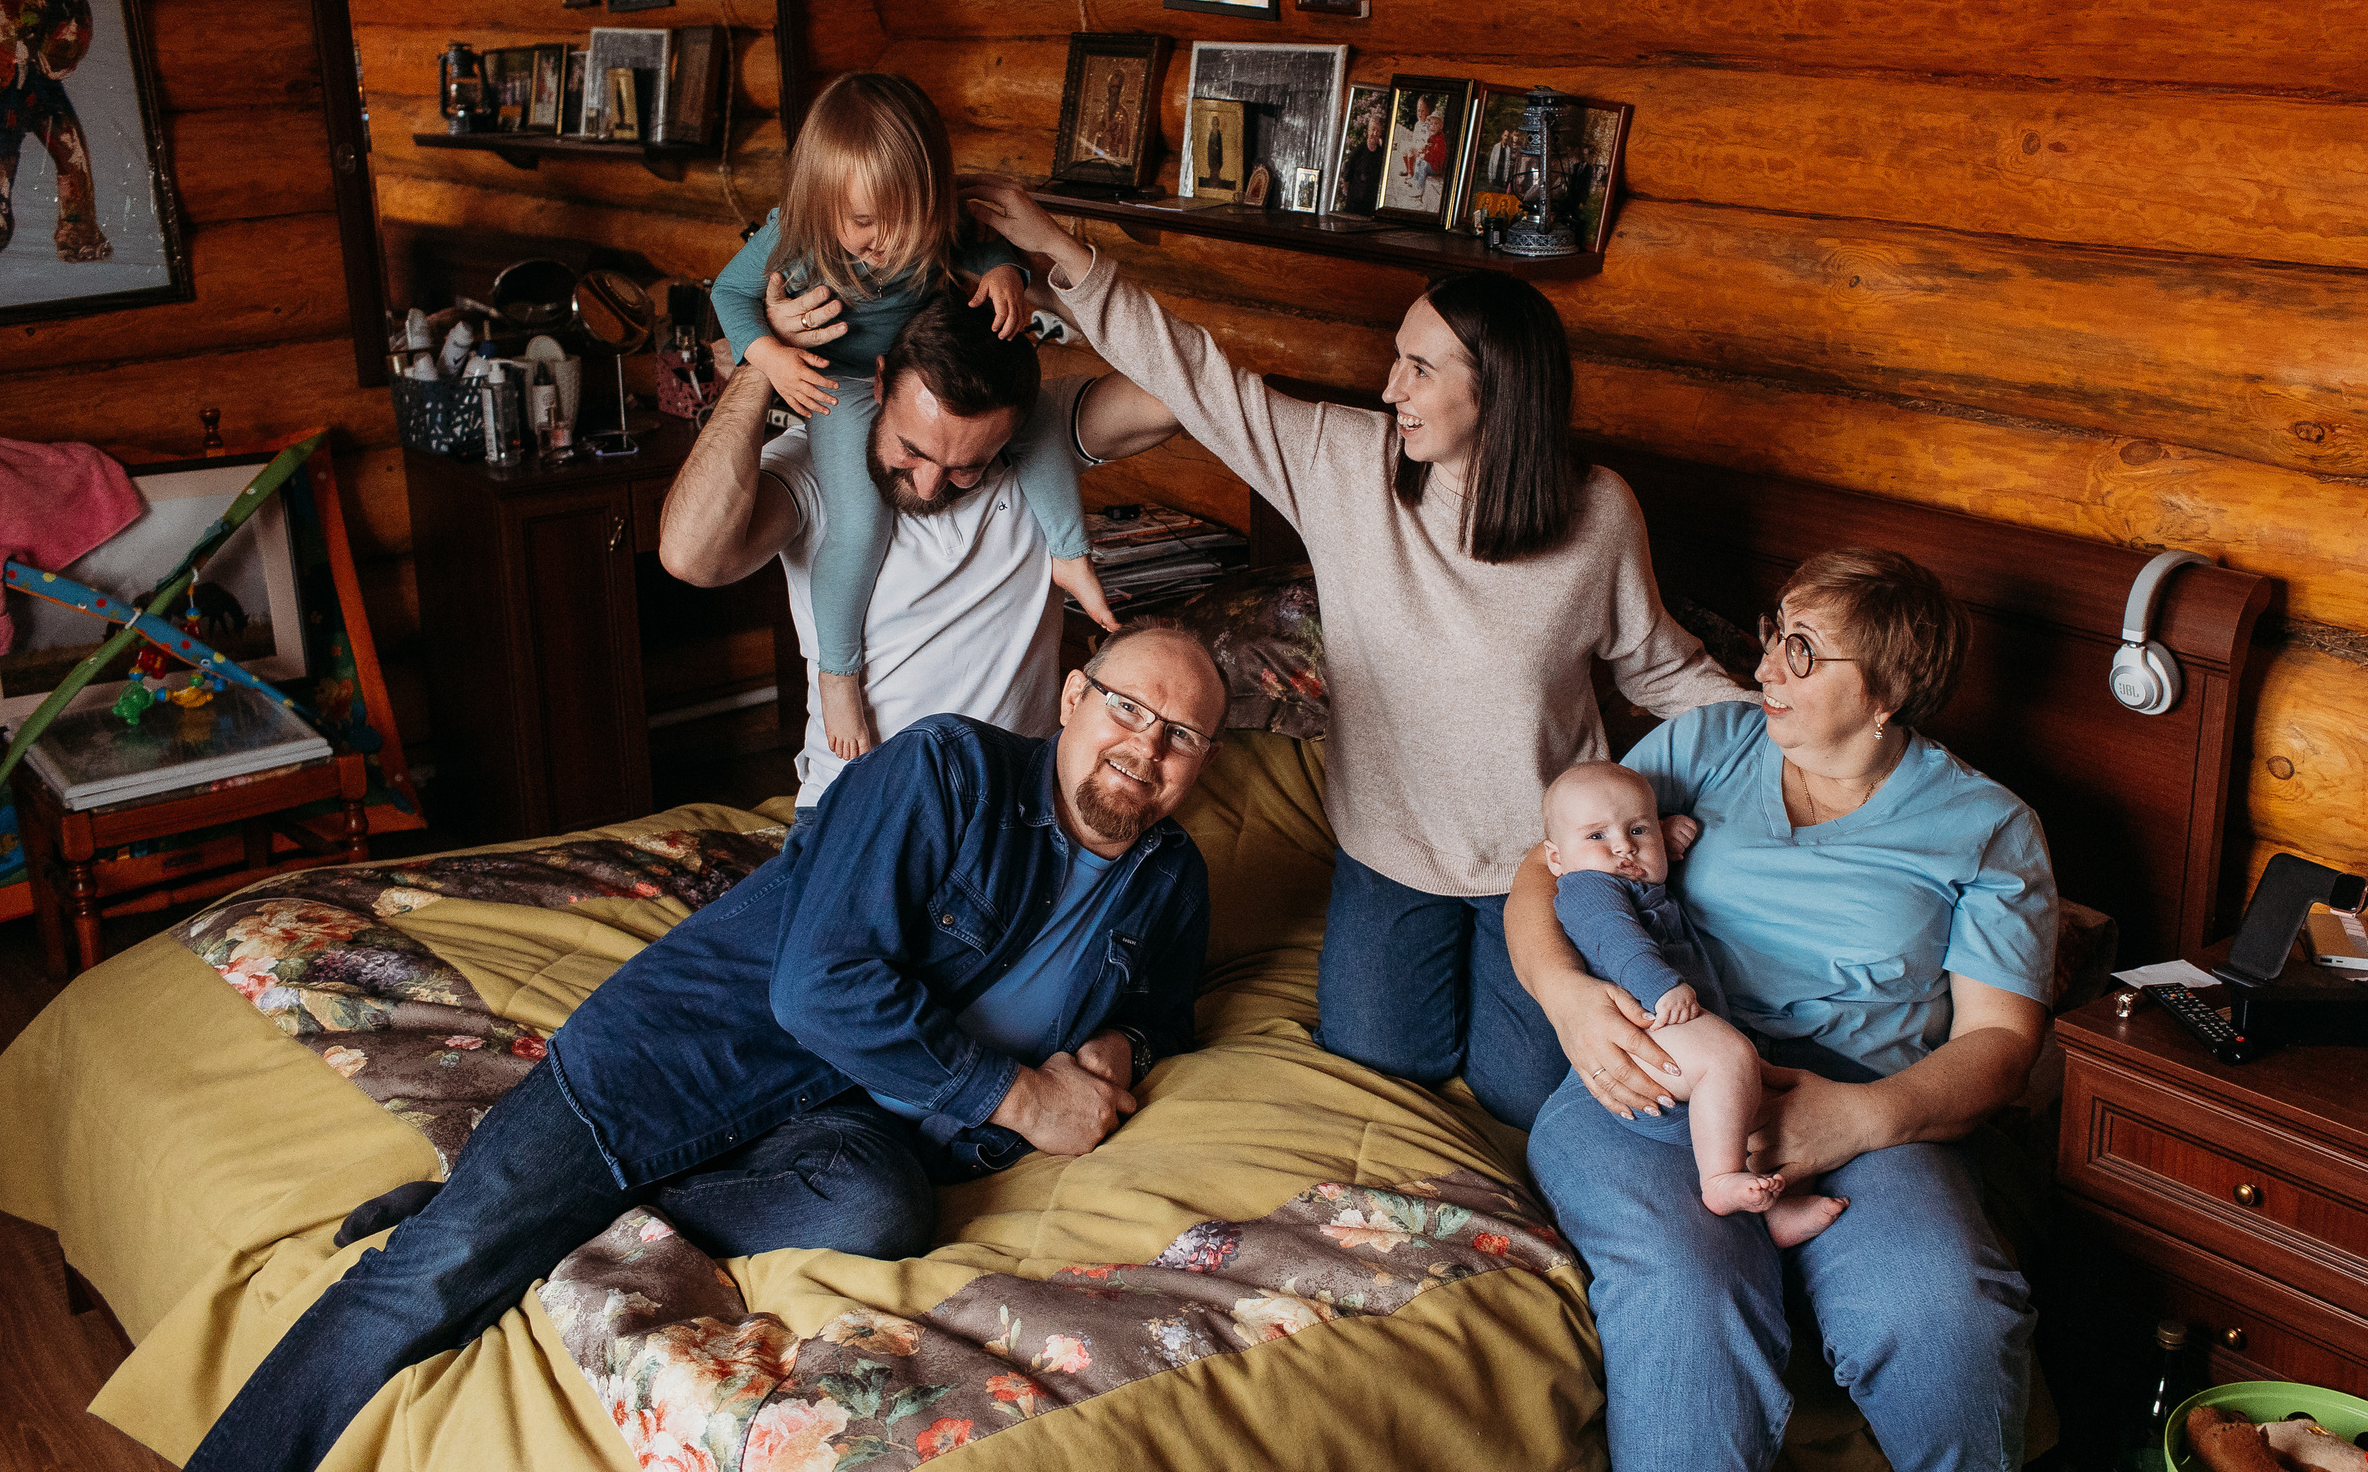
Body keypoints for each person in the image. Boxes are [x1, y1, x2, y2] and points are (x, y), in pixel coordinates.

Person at [186, 623, 1229, 1472]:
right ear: (1070, 698)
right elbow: (823, 991)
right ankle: (482, 1218)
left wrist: (1119, 1049)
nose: (1146, 745)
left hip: (850, 1121)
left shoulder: (1168, 879)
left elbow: (1163, 1012)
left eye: (1182, 733)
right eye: (1126, 707)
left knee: (881, 1210)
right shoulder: (944, 772)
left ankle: (547, 1212)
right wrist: (1018, 1098)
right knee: (434, 1276)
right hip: (679, 1058)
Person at [956, 173, 1751, 1132]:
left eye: (1419, 368)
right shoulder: (1349, 465)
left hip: (1538, 862)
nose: (1390, 387)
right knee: (1386, 1058)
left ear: (1495, 389)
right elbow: (1199, 377)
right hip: (1387, 848)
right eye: (1395, 361)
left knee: (1523, 1093)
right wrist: (1058, 249)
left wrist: (1794, 741)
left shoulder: (1599, 514)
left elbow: (1659, 665)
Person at [1507, 547, 2058, 1472]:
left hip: (1861, 1105)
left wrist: (1859, 1115)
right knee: (1689, 1292)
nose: (1765, 665)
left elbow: (2002, 1040)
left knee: (1944, 1309)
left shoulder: (1988, 826)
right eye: (1775, 632)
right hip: (1654, 1082)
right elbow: (1546, 864)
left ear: (1887, 691)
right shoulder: (1707, 744)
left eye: (1802, 649)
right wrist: (1566, 1000)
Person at [710, 71, 1118, 765]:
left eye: (903, 220)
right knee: (859, 524)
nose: (884, 241)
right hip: (842, 385)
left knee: (1037, 425)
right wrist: (770, 357)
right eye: (864, 223)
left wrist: (1007, 277)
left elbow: (988, 250)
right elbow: (732, 292)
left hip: (924, 373)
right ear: (822, 201)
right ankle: (838, 669)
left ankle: (1070, 554)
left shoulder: (932, 221)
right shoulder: (797, 234)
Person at [660, 289, 1185, 806]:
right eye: (912, 450)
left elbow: (1184, 390)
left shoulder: (1038, 442)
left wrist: (1047, 288)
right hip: (861, 813)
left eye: (966, 467)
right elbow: (691, 557)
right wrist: (761, 358)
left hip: (1011, 814)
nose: (931, 485)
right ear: (883, 381)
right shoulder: (816, 467)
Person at [1540, 761, 1845, 1247]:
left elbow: (1647, 871)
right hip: (1645, 1026)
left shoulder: (1635, 879)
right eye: (1596, 836)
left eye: (1637, 829)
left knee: (1774, 1099)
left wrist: (1666, 835)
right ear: (1556, 858)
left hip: (1677, 1027)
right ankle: (1719, 1180)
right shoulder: (1587, 888)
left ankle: (1780, 1210)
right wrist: (1661, 986)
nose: (1623, 846)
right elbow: (1616, 943)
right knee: (1730, 1060)